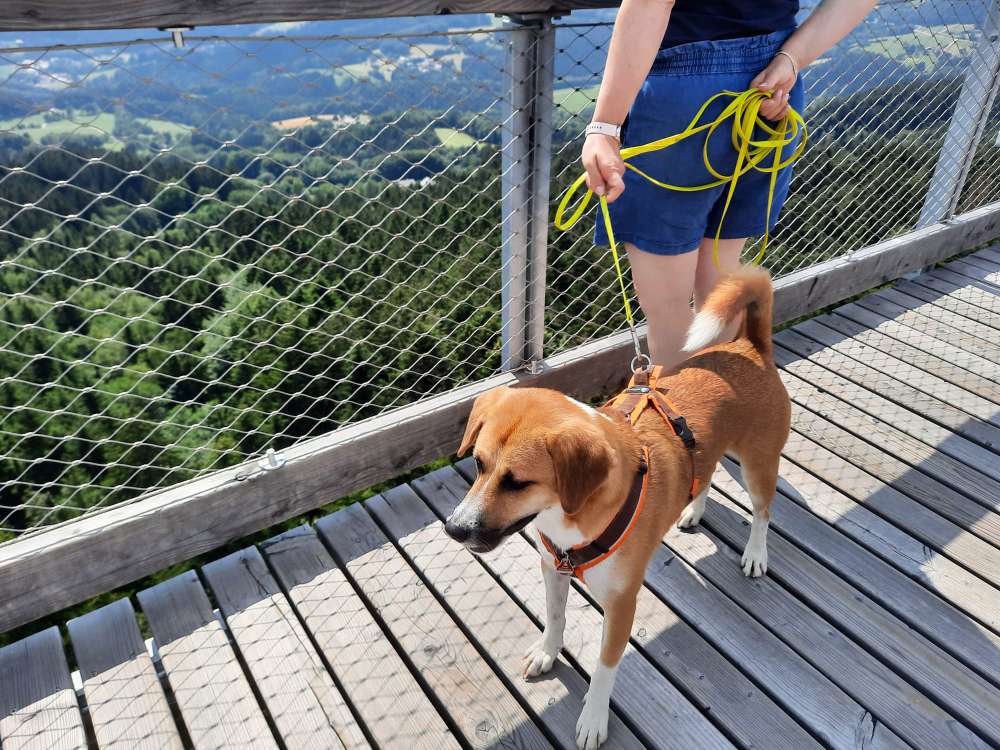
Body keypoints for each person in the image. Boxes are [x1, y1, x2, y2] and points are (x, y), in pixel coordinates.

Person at [583, 0, 877, 368]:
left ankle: (687, 421)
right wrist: (791, 59)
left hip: (685, 91)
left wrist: (605, 126)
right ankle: (724, 412)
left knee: (668, 306)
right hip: (773, 83)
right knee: (719, 282)